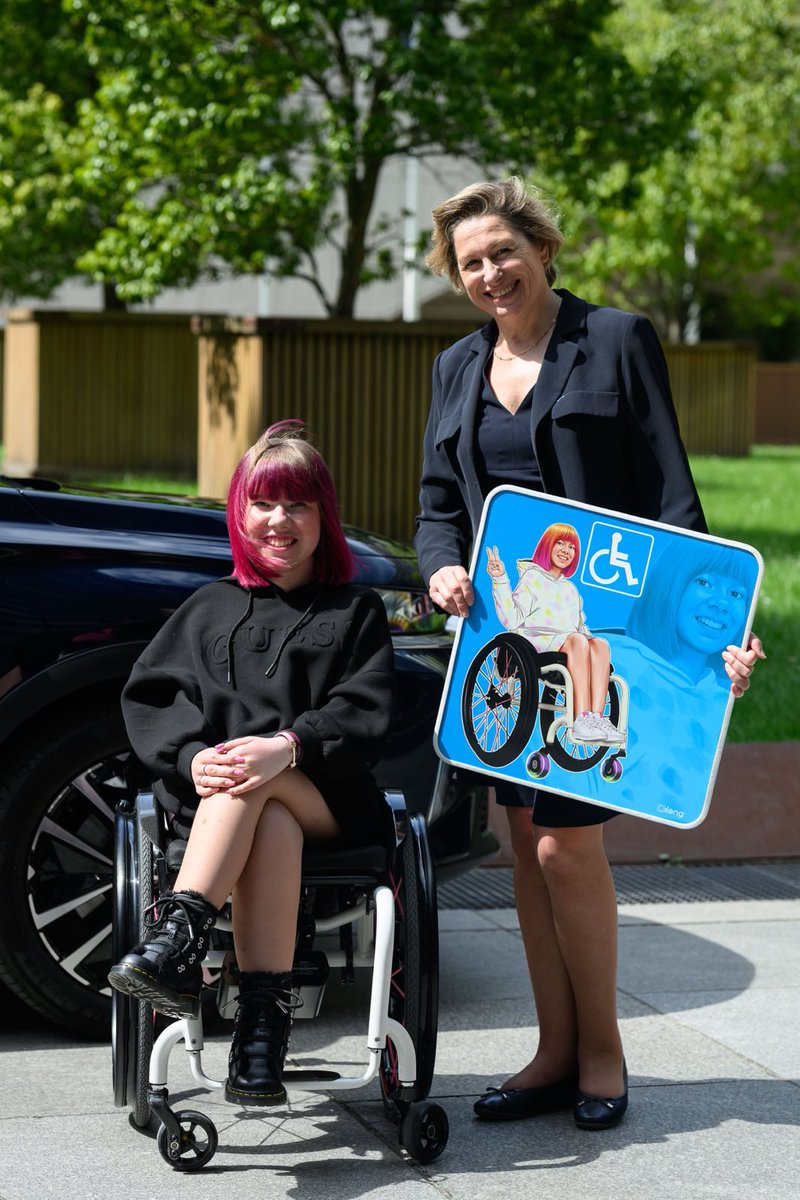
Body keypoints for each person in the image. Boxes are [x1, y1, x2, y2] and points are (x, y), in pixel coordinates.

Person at [415, 178, 764, 1131]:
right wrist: (443, 571)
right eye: (470, 263)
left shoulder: (615, 339)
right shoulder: (456, 367)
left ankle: (603, 1054)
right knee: (526, 850)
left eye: (502, 253)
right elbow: (440, 507)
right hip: (503, 651)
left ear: (540, 246)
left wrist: (713, 631)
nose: (490, 274)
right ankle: (553, 1053)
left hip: (599, 644)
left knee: (569, 845)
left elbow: (672, 497)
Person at [108, 419, 396, 1108]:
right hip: (232, 809)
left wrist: (288, 746)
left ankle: (178, 939)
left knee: (258, 782)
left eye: (298, 504)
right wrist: (193, 756)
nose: (280, 520)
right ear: (240, 513)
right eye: (264, 503)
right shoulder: (207, 608)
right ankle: (259, 1043)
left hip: (328, 802)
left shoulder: (353, 612)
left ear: (324, 516)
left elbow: (369, 712)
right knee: (255, 802)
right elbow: (155, 697)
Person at [487, 522, 623, 745]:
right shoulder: (532, 578)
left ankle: (596, 718)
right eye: (559, 543)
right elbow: (511, 619)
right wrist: (500, 579)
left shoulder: (571, 590)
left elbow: (580, 626)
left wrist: (592, 644)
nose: (565, 550)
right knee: (578, 641)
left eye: (571, 547)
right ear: (547, 546)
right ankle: (580, 718)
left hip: (569, 642)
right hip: (534, 642)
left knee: (600, 645)